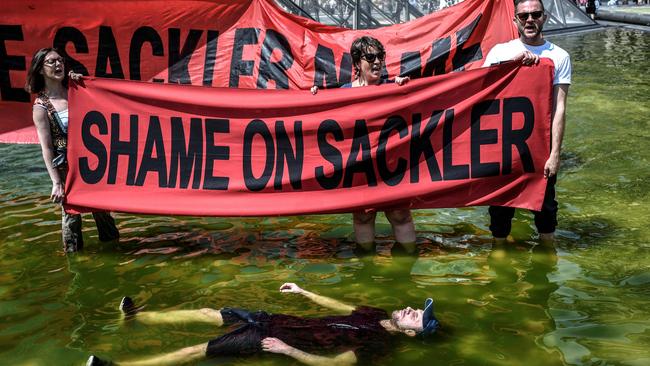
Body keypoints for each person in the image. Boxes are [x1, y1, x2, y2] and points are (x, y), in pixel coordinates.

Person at [86, 282, 440, 365]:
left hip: (272, 338)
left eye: (416, 316)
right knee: (214, 312)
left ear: (415, 334)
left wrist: (288, 351)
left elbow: (333, 364)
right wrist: (305, 291)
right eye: (414, 308)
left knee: (198, 349)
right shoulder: (374, 313)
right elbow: (340, 305)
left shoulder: (380, 344)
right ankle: (138, 317)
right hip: (277, 319)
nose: (410, 309)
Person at [311, 36, 416, 253]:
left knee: (400, 214)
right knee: (363, 216)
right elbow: (319, 119)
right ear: (358, 62)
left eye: (380, 56)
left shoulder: (393, 87)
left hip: (390, 164)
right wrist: (313, 96)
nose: (377, 61)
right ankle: (365, 271)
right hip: (359, 165)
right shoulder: (343, 93)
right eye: (371, 57)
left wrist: (404, 89)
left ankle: (405, 271)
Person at [482, 0, 571, 243]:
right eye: (523, 16)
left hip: (539, 150)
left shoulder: (559, 57)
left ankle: (546, 264)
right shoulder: (500, 52)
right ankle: (499, 263)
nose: (529, 20)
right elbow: (478, 94)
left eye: (535, 14)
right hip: (504, 150)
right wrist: (513, 65)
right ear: (515, 21)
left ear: (545, 17)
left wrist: (555, 154)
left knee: (545, 214)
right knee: (499, 216)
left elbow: (559, 108)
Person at [25, 48, 119, 252]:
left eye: (60, 60)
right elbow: (47, 148)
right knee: (71, 220)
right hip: (67, 171)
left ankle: (115, 256)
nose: (58, 65)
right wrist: (56, 182)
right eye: (51, 62)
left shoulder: (76, 89)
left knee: (104, 215)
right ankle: (76, 265)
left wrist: (82, 83)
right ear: (41, 69)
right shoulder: (41, 107)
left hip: (91, 166)